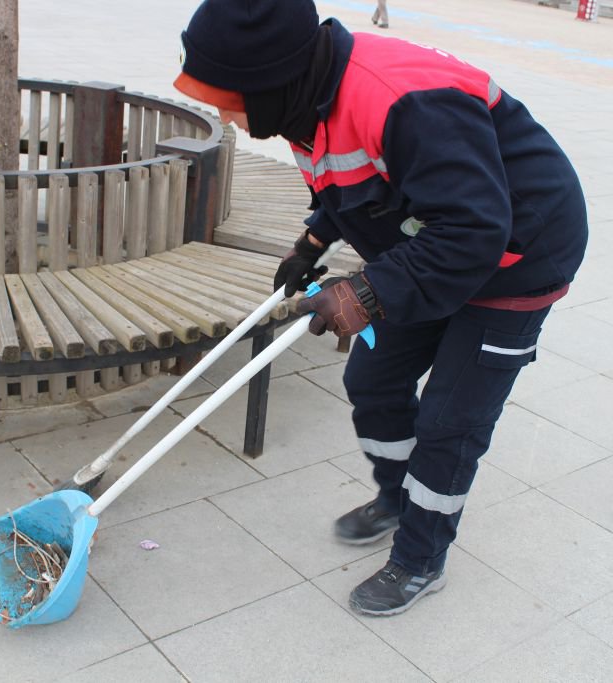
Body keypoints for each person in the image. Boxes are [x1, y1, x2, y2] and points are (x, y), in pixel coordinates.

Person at [174, 0, 588, 616]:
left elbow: (475, 229)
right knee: (373, 378)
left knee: (450, 425)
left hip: (516, 258)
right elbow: (352, 180)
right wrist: (312, 242)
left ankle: (421, 557)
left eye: (225, 96)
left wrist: (368, 291)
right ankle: (399, 498)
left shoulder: (403, 100)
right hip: (428, 251)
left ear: (269, 80)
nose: (220, 112)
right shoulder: (307, 100)